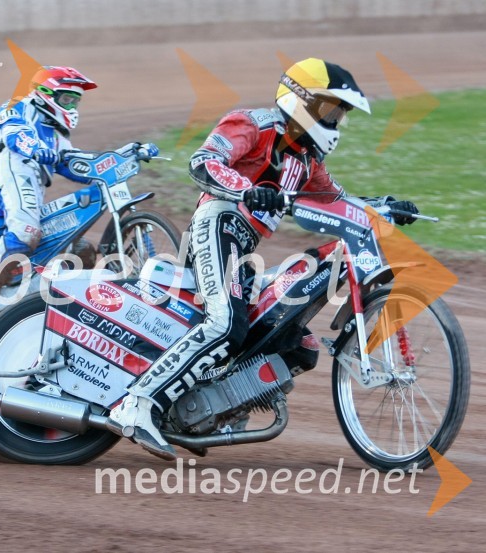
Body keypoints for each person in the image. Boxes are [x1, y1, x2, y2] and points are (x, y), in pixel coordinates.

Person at [106, 58, 420, 460]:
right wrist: (247, 190)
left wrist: (385, 207)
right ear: (302, 100)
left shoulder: (308, 162)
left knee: (298, 344)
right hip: (217, 224)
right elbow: (202, 163)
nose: (337, 120)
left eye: (340, 114)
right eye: (331, 109)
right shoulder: (252, 124)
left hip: (241, 249)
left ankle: (217, 408)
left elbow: (337, 202)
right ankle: (136, 405)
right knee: (224, 324)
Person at [0, 66, 114, 333]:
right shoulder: (18, 107)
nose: (71, 104)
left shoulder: (56, 133)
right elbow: (15, 134)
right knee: (25, 233)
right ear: (46, 93)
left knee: (77, 248)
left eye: (75, 100)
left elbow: (75, 166)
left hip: (33, 181)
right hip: (15, 168)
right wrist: (35, 147)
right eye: (66, 98)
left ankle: (24, 306)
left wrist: (120, 161)